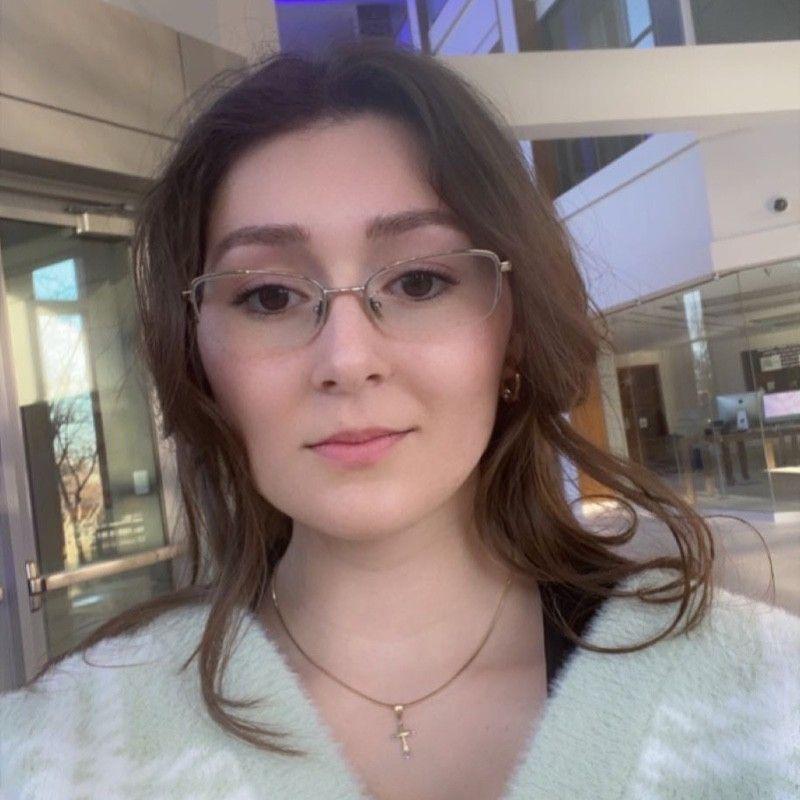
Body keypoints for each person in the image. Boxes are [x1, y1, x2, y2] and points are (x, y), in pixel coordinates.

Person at [1, 39, 798, 800]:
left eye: (419, 282)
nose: (348, 359)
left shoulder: (767, 694)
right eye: (270, 296)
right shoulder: (54, 753)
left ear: (515, 332)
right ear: (195, 355)